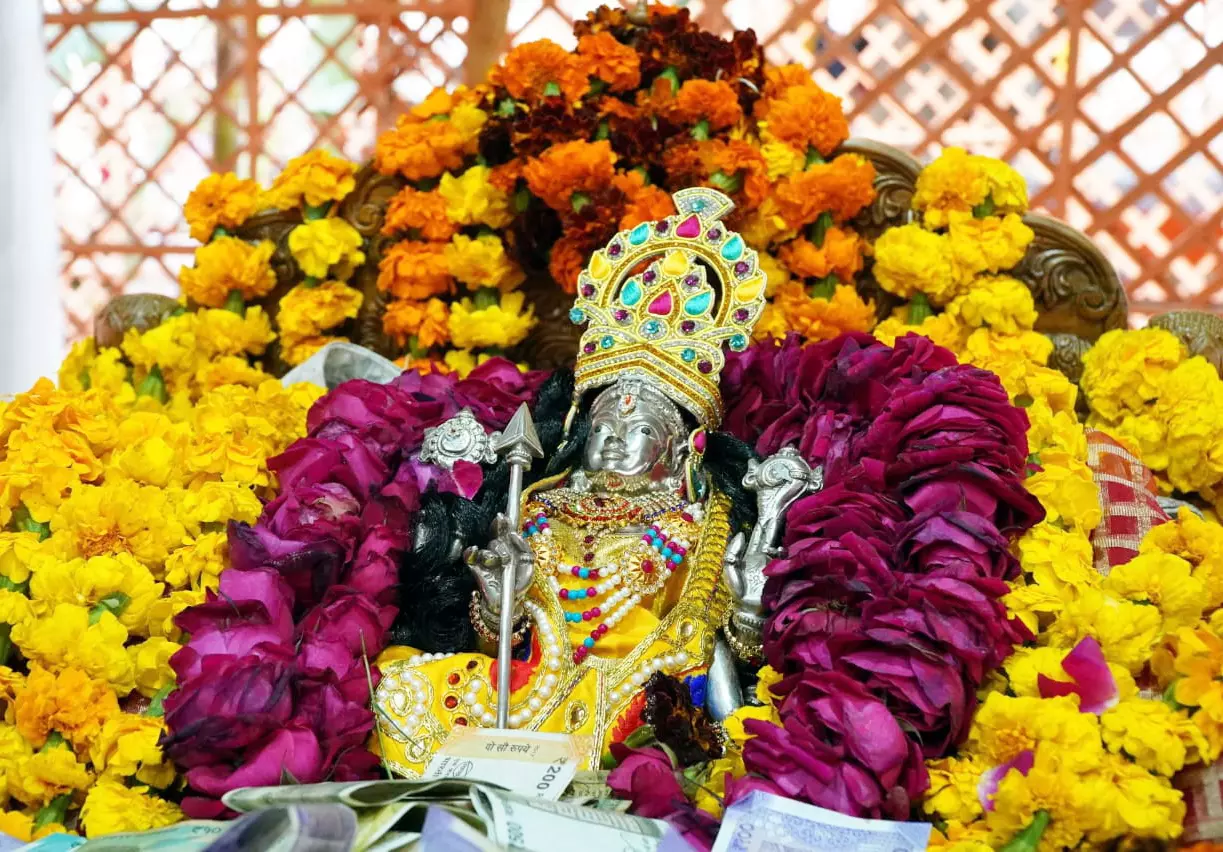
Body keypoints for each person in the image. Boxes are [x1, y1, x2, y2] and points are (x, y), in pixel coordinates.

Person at [373, 189, 821, 774]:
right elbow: (503, 646)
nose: (612, 436)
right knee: (402, 686)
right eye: (604, 422)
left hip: (636, 701)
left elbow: (707, 648)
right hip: (522, 701)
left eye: (637, 426)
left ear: (682, 445)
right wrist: (495, 602)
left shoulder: (694, 522)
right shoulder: (538, 505)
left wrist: (751, 612)